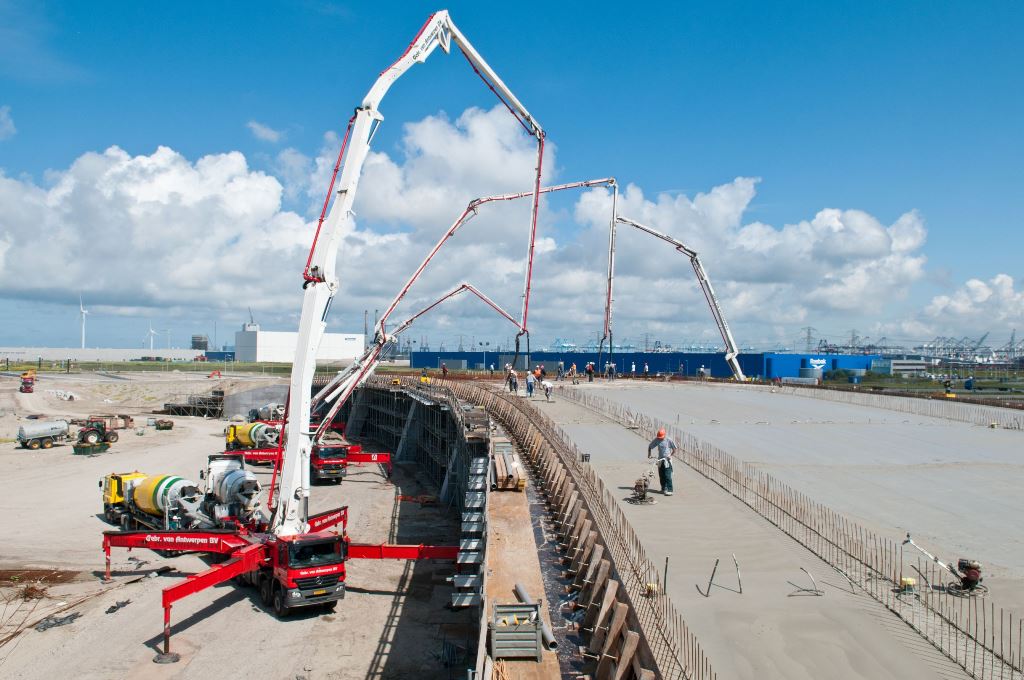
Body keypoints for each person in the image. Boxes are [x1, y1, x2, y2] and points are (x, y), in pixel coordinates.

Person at [647, 428, 677, 496]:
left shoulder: (668, 440)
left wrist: (670, 455)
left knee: (667, 475)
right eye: (659, 437)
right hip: (660, 459)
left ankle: (670, 490)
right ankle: (663, 488)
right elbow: (650, 446)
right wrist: (649, 454)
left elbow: (674, 449)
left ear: (664, 436)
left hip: (667, 460)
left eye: (661, 438)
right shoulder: (657, 440)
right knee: (661, 475)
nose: (660, 439)